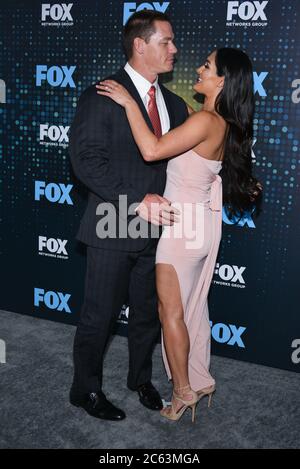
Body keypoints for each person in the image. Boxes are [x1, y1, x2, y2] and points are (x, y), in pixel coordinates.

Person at [96, 47, 262, 422]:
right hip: (198, 224)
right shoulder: (214, 120)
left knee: (170, 312)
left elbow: (153, 150)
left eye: (207, 66)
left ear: (222, 80)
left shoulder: (206, 121)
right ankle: (200, 380)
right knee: (192, 309)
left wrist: (127, 103)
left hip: (181, 228)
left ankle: (183, 391)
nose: (199, 69)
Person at [68, 10, 189, 421]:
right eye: (167, 42)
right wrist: (139, 201)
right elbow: (86, 162)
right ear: (141, 45)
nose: (175, 50)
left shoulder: (174, 103)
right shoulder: (103, 94)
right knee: (99, 316)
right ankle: (84, 390)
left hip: (160, 228)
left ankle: (140, 378)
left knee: (145, 314)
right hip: (113, 222)